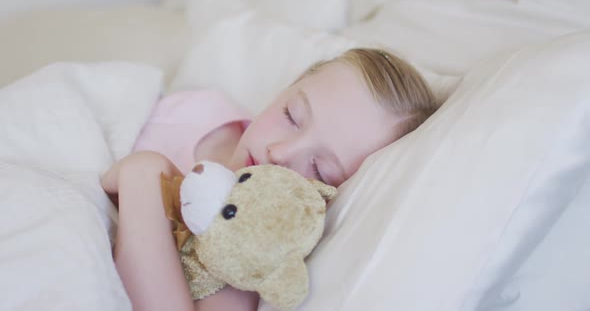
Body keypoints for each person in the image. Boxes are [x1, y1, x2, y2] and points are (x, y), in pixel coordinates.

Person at [101, 48, 438, 311]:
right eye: (291, 116)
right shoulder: (198, 110)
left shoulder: (249, 248)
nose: (279, 153)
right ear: (286, 88)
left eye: (320, 170)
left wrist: (144, 176)